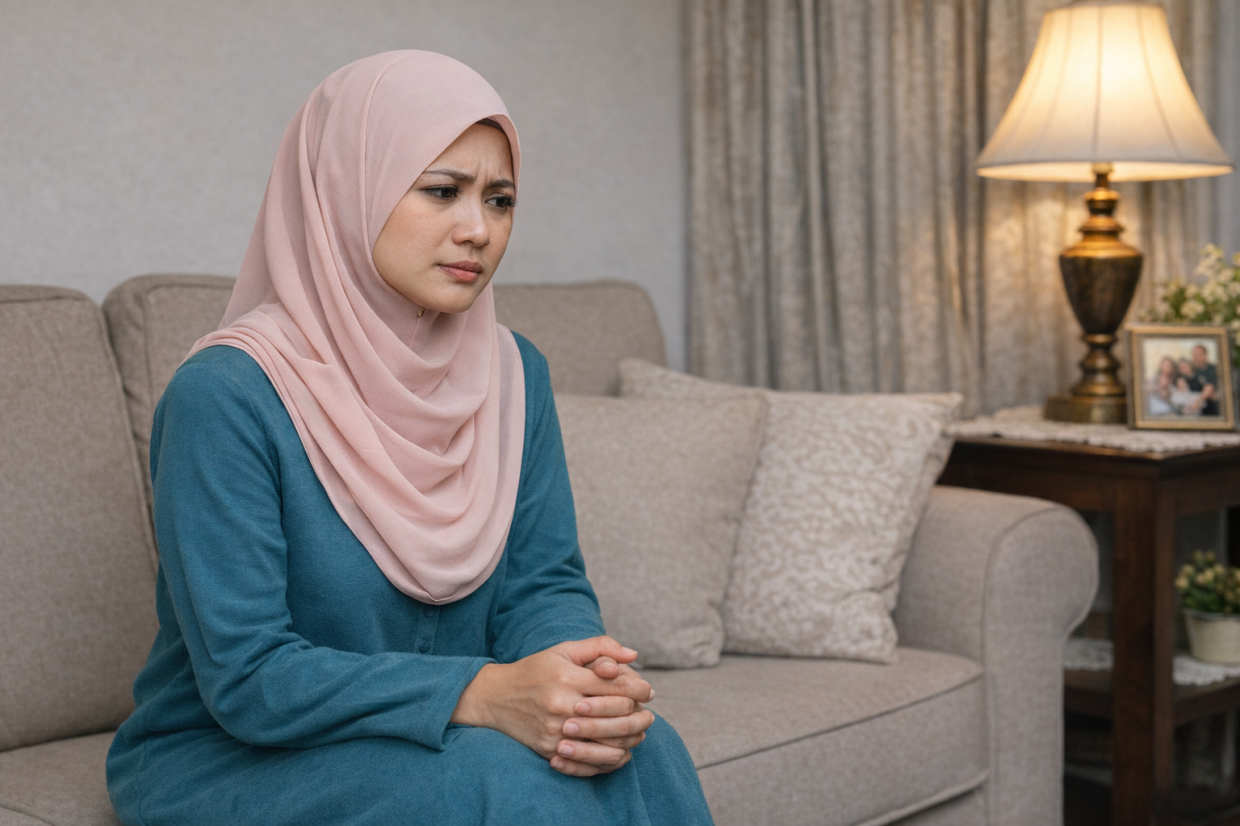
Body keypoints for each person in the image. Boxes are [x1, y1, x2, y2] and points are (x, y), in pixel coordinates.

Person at [106, 51, 712, 826]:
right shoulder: (226, 395)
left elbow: (543, 584)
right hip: (232, 754)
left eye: (500, 200)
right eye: (441, 191)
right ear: (346, 191)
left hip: (436, 735)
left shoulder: (513, 374)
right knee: (505, 779)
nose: (478, 230)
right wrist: (481, 692)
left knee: (647, 751)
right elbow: (249, 678)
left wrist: (582, 682)